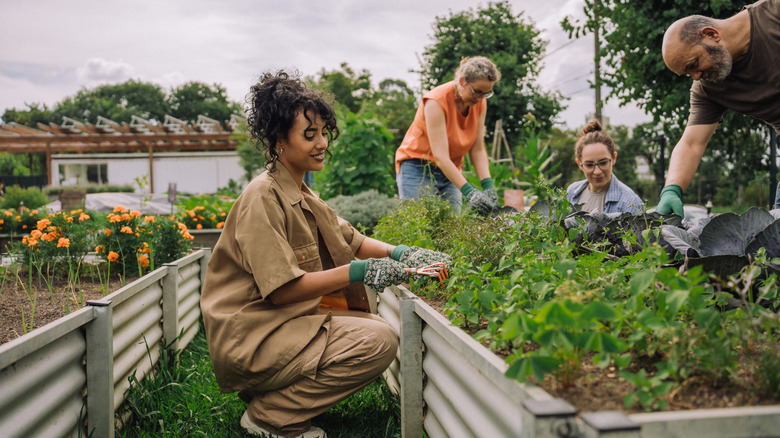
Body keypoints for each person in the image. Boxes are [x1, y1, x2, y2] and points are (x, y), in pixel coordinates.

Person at [200, 71, 450, 438]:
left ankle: (273, 396)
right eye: (309, 134)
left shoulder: (301, 191)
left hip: (280, 325)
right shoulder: (262, 198)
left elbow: (351, 240)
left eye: (323, 133)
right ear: (278, 140)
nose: (321, 144)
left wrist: (403, 253)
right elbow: (283, 291)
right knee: (378, 342)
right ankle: (271, 416)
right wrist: (360, 272)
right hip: (254, 336)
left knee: (377, 328)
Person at [657, 0, 780, 216]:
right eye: (688, 74)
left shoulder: (773, 14)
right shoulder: (708, 88)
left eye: (694, 65)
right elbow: (691, 143)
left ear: (711, 34)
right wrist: (671, 189)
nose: (696, 77)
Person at [395, 56, 501, 215]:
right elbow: (440, 156)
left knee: (451, 230)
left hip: (450, 170)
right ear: (462, 82)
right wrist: (470, 192)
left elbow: (477, 149)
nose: (480, 99)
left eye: (486, 94)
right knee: (418, 228)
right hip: (417, 167)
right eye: (477, 92)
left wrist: (488, 186)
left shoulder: (479, 103)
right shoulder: (436, 101)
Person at [566, 120, 645, 214]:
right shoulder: (572, 193)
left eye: (603, 163)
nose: (597, 171)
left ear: (614, 158)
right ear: (580, 164)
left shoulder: (630, 203)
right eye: (589, 165)